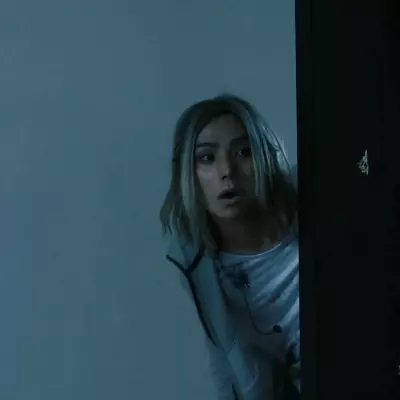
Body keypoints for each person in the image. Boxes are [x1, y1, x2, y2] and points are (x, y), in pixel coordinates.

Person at [160, 93, 299, 400]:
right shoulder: (199, 264)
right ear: (188, 174)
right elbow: (225, 356)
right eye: (207, 158)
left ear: (264, 156)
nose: (227, 171)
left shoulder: (306, 196)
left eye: (243, 152)